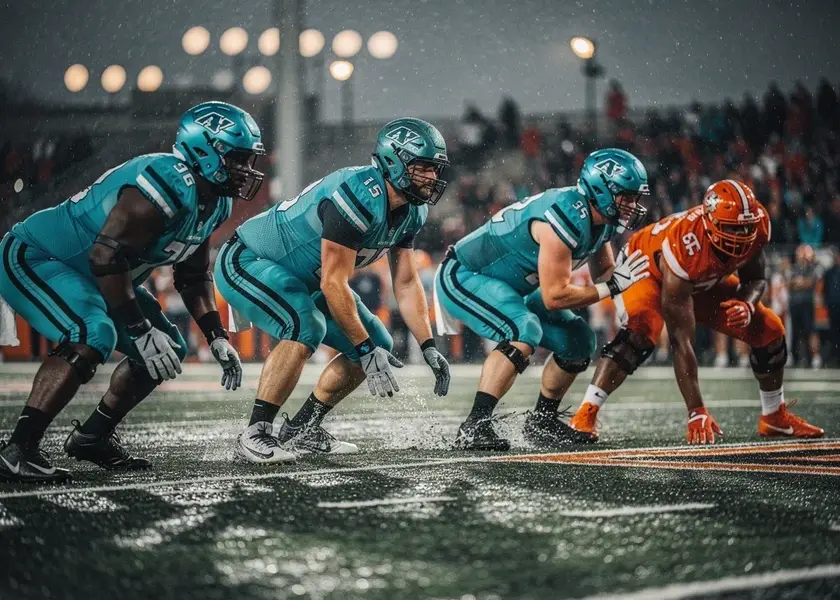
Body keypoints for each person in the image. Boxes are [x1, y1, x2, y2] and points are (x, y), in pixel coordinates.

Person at [0, 101, 259, 482]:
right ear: (205, 150)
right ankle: (18, 449)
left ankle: (92, 437)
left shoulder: (215, 202)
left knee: (168, 348)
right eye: (237, 158)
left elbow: (191, 274)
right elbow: (105, 255)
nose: (246, 169)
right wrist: (138, 328)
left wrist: (216, 335)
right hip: (39, 257)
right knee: (92, 333)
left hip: (99, 274)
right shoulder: (166, 179)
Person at [218, 118, 451, 463]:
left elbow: (405, 281)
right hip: (250, 259)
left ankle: (302, 429)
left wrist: (428, 345)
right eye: (423, 167)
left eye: (434, 169)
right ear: (393, 161)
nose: (431, 177)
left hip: (304, 277)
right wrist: (363, 347)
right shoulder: (358, 194)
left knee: (379, 344)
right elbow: (332, 283)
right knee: (306, 325)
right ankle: (255, 433)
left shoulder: (411, 212)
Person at [570, 180, 824, 443]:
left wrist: (746, 304)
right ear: (709, 224)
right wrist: (696, 411)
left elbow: (754, 279)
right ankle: (586, 411)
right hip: (646, 269)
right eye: (731, 229)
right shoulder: (685, 244)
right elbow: (682, 341)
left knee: (769, 328)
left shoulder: (756, 225)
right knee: (642, 331)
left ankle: (773, 416)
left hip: (700, 278)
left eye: (745, 229)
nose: (740, 237)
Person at [434, 149, 651, 450]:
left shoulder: (602, 220)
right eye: (625, 196)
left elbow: (604, 274)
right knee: (524, 331)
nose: (632, 205)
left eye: (634, 197)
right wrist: (613, 288)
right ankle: (474, 426)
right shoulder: (565, 215)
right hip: (466, 274)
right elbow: (555, 297)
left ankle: (542, 422)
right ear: (600, 190)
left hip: (513, 287)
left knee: (579, 341)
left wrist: (633, 296)